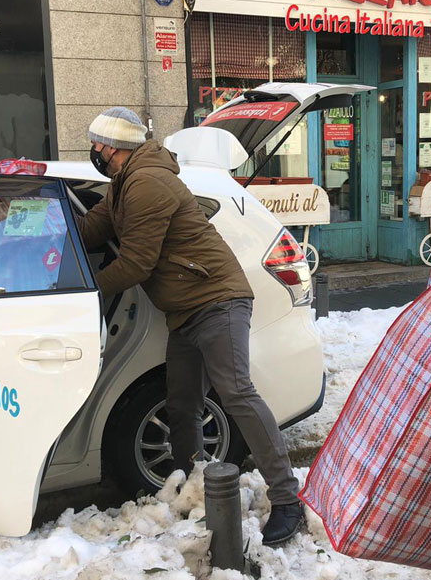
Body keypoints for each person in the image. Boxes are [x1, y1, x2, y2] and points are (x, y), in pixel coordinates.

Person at [79, 107, 305, 546]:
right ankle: (194, 485)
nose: (94, 152)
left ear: (112, 148)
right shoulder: (125, 184)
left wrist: (79, 289)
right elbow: (92, 228)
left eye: (96, 145)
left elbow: (135, 264)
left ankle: (288, 499)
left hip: (216, 300)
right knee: (182, 403)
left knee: (237, 392)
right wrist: (44, 232)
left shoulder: (148, 183)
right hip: (185, 310)